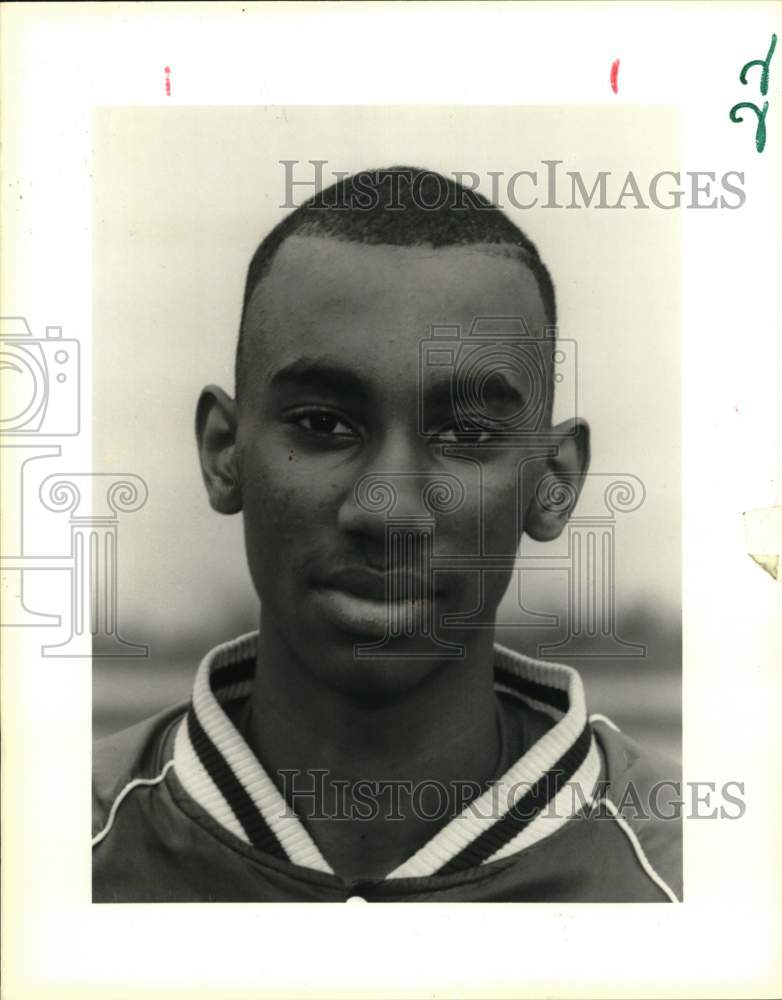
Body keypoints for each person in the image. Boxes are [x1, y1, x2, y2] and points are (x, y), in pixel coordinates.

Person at [92, 167, 681, 902]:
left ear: (553, 482)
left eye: (466, 432)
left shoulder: (711, 879)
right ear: (223, 452)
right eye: (323, 425)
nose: (390, 511)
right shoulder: (49, 855)